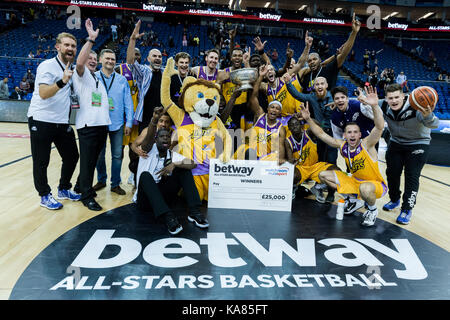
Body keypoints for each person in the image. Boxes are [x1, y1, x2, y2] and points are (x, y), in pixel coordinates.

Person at [299, 86, 387, 227]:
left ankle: (372, 209)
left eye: (355, 132)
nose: (352, 135)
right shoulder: (343, 145)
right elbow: (321, 134)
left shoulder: (367, 144)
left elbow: (379, 127)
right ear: (344, 135)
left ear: (360, 134)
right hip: (355, 181)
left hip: (374, 185)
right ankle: (352, 199)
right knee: (323, 175)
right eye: (349, 132)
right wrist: (309, 119)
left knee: (364, 188)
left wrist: (375, 106)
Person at [26, 32, 80, 210]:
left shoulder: (72, 68)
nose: (70, 49)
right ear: (58, 47)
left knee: (72, 156)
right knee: (42, 160)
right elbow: (43, 93)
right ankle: (44, 195)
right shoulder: (47, 66)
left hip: (61, 121)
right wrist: (62, 81)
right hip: (41, 119)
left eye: (73, 46)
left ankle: (64, 188)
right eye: (67, 45)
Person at [133, 118, 208, 235]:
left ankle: (194, 212)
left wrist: (174, 164)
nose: (166, 138)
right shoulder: (148, 150)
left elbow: (193, 164)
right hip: (145, 201)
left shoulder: (173, 155)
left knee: (184, 169)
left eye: (168, 137)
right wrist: (153, 120)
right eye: (162, 136)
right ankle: (168, 217)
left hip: (164, 199)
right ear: (156, 139)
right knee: (145, 176)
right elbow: (148, 138)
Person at [380, 83, 440, 224]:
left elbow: (434, 124)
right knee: (392, 173)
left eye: (396, 97)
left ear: (403, 96)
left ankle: (407, 208)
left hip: (418, 143)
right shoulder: (383, 105)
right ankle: (394, 199)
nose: (394, 100)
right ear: (386, 98)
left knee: (412, 176)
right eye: (390, 98)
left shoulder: (416, 104)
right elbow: (361, 103)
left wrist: (428, 115)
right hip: (396, 142)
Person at [72, 19, 111, 211]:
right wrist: (91, 40)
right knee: (88, 161)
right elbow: (80, 62)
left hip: (101, 125)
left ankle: (80, 185)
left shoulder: (96, 77)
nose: (93, 61)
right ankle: (86, 196)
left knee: (93, 159)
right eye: (91, 59)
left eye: (95, 59)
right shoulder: (81, 74)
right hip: (88, 126)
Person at [284, 74, 336, 202]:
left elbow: (346, 103)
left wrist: (339, 104)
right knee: (320, 163)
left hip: (332, 137)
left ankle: (331, 193)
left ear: (327, 85)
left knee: (331, 164)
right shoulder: (312, 97)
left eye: (322, 83)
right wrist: (288, 83)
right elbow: (297, 95)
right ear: (313, 87)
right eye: (317, 84)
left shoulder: (335, 98)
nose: (319, 86)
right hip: (318, 136)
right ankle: (318, 186)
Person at [93, 49, 134, 195]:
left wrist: (129, 122)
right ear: (100, 60)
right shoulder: (94, 77)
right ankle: (101, 179)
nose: (110, 61)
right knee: (99, 154)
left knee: (117, 155)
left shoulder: (122, 79)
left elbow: (128, 102)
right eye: (107, 58)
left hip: (117, 124)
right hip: (98, 123)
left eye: (113, 59)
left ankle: (115, 183)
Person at [234, 64, 286, 163]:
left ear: (279, 113)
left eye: (277, 109)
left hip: (265, 158)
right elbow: (253, 97)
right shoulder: (260, 115)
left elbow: (280, 150)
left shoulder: (280, 128)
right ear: (267, 108)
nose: (274, 110)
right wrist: (261, 76)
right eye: (272, 107)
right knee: (246, 151)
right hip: (249, 153)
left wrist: (280, 161)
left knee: (277, 159)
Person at [298, 13, 361, 92]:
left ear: (320, 60)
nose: (312, 62)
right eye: (309, 61)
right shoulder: (306, 76)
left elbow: (344, 53)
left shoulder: (329, 68)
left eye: (314, 59)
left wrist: (354, 33)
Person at [285, 114, 339, 201]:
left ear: (301, 125)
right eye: (292, 125)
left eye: (297, 124)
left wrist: (307, 118)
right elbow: (290, 159)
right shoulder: (288, 141)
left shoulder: (308, 133)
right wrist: (291, 162)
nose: (295, 126)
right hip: (301, 168)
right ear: (289, 128)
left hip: (315, 166)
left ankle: (319, 188)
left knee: (336, 171)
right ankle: (294, 188)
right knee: (291, 174)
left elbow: (318, 125)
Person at [126, 20, 163, 132]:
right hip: (146, 117)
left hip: (162, 117)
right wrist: (133, 39)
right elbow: (130, 61)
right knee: (144, 146)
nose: (157, 58)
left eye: (160, 56)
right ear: (148, 59)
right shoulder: (143, 71)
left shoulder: (166, 73)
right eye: (154, 56)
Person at [116, 47, 141, 187]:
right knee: (118, 153)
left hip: (137, 120)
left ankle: (133, 174)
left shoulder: (143, 71)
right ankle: (116, 179)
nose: (136, 56)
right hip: (122, 119)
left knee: (134, 151)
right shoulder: (119, 69)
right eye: (133, 54)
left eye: (138, 54)